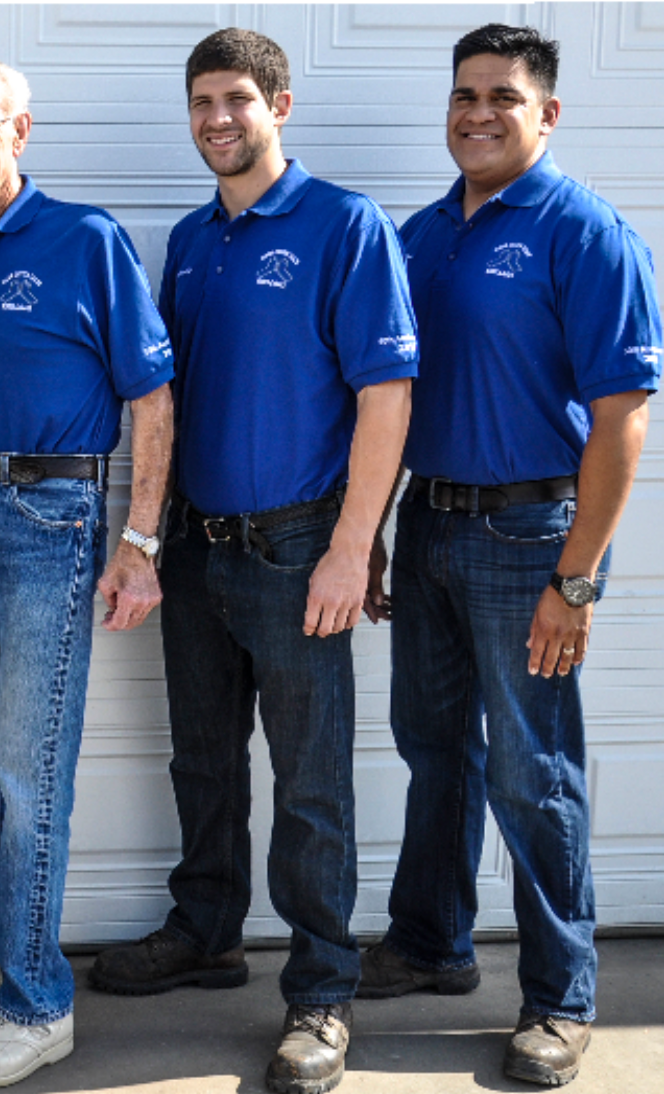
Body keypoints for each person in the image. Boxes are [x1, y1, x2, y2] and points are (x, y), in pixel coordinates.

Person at [87, 29, 418, 1094]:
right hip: (196, 547)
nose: (216, 120)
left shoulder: (342, 225)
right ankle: (206, 930)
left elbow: (386, 397)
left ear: (280, 103)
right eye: (200, 102)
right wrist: (145, 542)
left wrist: (350, 549)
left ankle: (320, 990)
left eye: (235, 99)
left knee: (310, 782)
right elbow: (163, 402)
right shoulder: (190, 239)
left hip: (295, 553)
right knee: (202, 758)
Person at [360, 24, 660, 1089]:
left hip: (532, 535)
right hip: (433, 524)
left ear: (547, 113)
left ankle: (560, 993)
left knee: (535, 771)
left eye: (501, 95)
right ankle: (430, 940)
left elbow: (622, 418)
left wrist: (574, 578)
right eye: (462, 94)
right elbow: (392, 402)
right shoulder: (423, 234)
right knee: (432, 748)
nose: (476, 112)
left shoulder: (584, 233)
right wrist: (380, 531)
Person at [0, 49, 176, 1090]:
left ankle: (36, 1001)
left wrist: (138, 542)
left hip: (50, 517)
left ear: (21, 129)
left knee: (28, 773)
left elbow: (150, 398)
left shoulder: (83, 239)